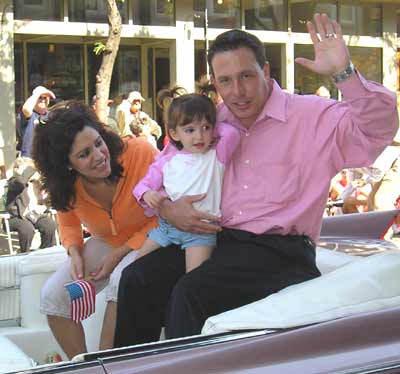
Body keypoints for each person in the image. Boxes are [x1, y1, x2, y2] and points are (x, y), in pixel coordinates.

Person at [114, 13, 398, 347]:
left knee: (192, 293)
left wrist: (344, 73)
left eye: (246, 76)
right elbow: (167, 168)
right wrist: (168, 209)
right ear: (215, 83)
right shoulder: (209, 123)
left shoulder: (310, 116)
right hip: (220, 242)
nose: (237, 92)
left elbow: (376, 129)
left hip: (282, 253)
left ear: (265, 71)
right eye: (225, 81)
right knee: (136, 279)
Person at [31, 100, 158, 359]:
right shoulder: (66, 185)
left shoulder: (140, 152)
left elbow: (166, 214)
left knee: (120, 280)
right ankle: (85, 366)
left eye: (98, 143)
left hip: (156, 239)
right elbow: (67, 222)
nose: (99, 156)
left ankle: (105, 364)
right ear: (67, 165)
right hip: (109, 243)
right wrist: (75, 252)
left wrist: (121, 252)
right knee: (53, 296)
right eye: (84, 154)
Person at [133, 91, 240, 273]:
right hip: (167, 227)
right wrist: (147, 193)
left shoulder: (216, 156)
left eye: (205, 128)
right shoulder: (166, 161)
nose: (199, 136)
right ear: (174, 133)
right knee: (136, 269)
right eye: (190, 130)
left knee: (194, 279)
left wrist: (213, 127)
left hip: (201, 230)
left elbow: (232, 134)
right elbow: (142, 186)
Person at [5, 159, 57, 252]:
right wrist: (30, 169)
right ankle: (25, 254)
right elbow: (20, 182)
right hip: (16, 217)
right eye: (28, 170)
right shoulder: (13, 182)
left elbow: (47, 200)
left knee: (50, 225)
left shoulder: (35, 184)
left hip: (33, 215)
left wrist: (43, 205)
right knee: (27, 229)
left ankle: (46, 251)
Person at [20, 85, 55, 158]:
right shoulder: (30, 114)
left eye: (45, 97)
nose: (42, 100)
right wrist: (36, 94)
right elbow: (26, 109)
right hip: (29, 160)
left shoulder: (52, 116)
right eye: (40, 97)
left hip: (47, 160)